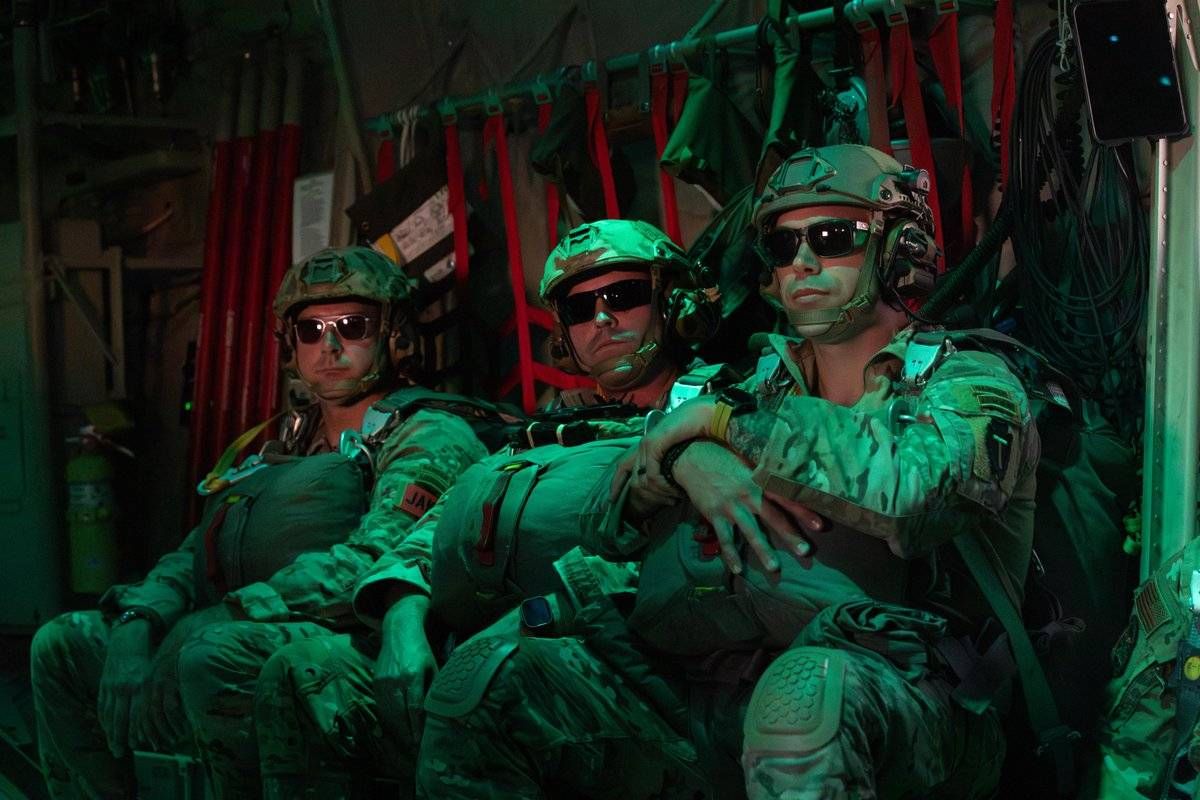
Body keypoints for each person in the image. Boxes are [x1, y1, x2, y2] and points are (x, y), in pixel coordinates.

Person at [415, 144, 1040, 799]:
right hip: (713, 691)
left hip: (909, 695)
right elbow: (604, 525)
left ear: (897, 247)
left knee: (803, 705)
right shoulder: (753, 385)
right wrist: (683, 459)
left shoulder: (966, 381)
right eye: (782, 245)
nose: (802, 263)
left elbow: (921, 491)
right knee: (488, 681)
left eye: (832, 238)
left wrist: (726, 426)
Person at [251, 219, 724, 797]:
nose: (601, 319)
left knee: (485, 684)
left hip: (631, 670)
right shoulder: (547, 427)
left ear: (673, 302)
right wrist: (402, 614)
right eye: (580, 308)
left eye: (623, 296)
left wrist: (538, 616)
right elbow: (443, 523)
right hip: (487, 639)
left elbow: (693, 570)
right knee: (303, 672)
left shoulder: (715, 414)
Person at [30, 246, 491, 799]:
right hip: (239, 620)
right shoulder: (282, 441)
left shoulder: (427, 433)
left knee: (212, 653)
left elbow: (375, 558)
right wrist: (139, 618)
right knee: (62, 645)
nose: (330, 346)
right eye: (311, 330)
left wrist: (223, 614)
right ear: (290, 345)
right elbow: (196, 551)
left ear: (393, 335)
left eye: (352, 326)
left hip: (348, 633)